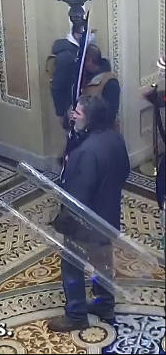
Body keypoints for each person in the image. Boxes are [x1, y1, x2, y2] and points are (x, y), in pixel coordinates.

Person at [47, 95, 129, 332]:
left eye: (79, 114)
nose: (75, 118)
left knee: (72, 266)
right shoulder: (115, 138)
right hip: (109, 216)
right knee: (103, 264)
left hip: (84, 224)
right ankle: (105, 304)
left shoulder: (86, 151)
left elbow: (77, 196)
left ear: (91, 118)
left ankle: (75, 314)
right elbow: (124, 171)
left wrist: (62, 220)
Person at [50, 22, 84, 120]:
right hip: (70, 106)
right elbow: (57, 86)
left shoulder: (79, 51)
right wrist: (62, 112)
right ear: (77, 35)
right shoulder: (66, 57)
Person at [80, 45, 120, 126]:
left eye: (83, 61)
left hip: (101, 131)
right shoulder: (85, 77)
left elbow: (110, 115)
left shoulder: (110, 82)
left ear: (89, 61)